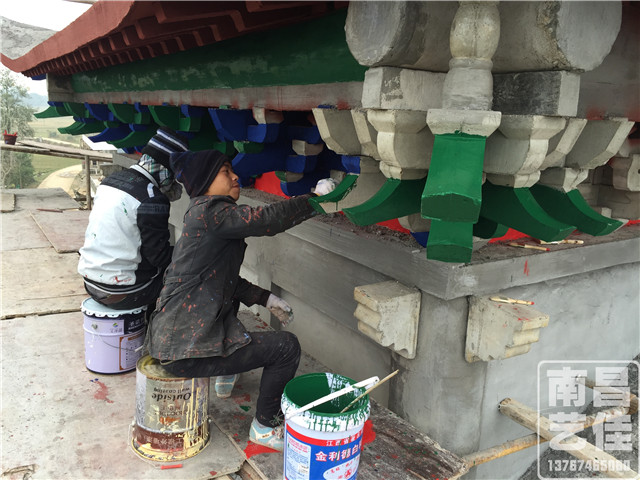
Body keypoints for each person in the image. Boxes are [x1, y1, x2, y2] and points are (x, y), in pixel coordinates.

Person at [146, 149, 337, 451]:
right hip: (184, 350)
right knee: (286, 347)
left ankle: (225, 375)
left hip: (173, 342)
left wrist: (265, 298)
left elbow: (221, 281)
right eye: (225, 171)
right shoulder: (212, 212)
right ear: (206, 181)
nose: (236, 176)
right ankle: (265, 427)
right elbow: (264, 220)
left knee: (229, 308)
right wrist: (314, 199)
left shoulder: (200, 215)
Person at [78, 127, 189, 311]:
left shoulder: (110, 181)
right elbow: (159, 257)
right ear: (166, 170)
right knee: (189, 276)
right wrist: (191, 250)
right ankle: (162, 326)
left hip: (90, 283)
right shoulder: (151, 198)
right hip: (123, 292)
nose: (174, 183)